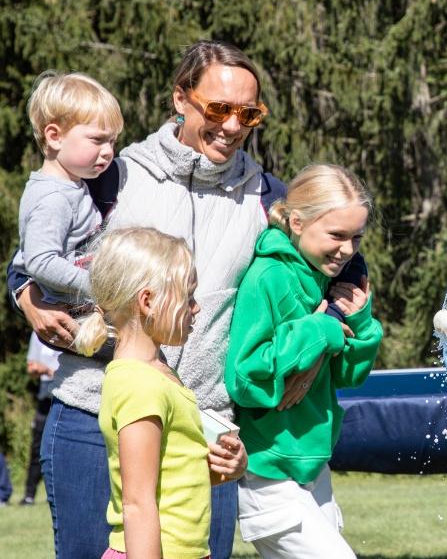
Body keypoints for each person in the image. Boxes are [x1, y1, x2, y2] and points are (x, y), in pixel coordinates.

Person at [9, 40, 276, 558]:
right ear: (180, 98)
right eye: (218, 108)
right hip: (94, 419)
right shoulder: (114, 174)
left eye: (249, 113)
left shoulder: (265, 194)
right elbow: (34, 247)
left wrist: (336, 313)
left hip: (199, 431)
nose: (233, 125)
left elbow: (339, 250)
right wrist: (23, 292)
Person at [226, 164, 383, 558]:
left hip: (315, 466)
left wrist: (362, 324)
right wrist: (319, 331)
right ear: (297, 221)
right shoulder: (268, 277)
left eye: (357, 237)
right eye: (336, 235)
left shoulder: (333, 278)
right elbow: (245, 377)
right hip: (267, 471)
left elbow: (349, 375)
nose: (347, 249)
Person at [72, 227, 243, 558]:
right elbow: (137, 504)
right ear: (147, 301)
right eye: (188, 297)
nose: (196, 309)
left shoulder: (158, 373)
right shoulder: (140, 385)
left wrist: (228, 467)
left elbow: (174, 479)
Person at [11, 71, 122, 309]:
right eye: (97, 140)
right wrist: (97, 285)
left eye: (112, 141)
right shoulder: (53, 199)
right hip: (71, 315)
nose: (108, 152)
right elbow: (40, 261)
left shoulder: (71, 184)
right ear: (55, 137)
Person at [21, 334, 61, 505]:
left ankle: (58, 493)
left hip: (65, 387)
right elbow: (31, 367)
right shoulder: (38, 334)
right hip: (45, 392)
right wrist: (46, 370)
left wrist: (49, 369)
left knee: (61, 447)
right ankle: (30, 495)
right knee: (38, 445)